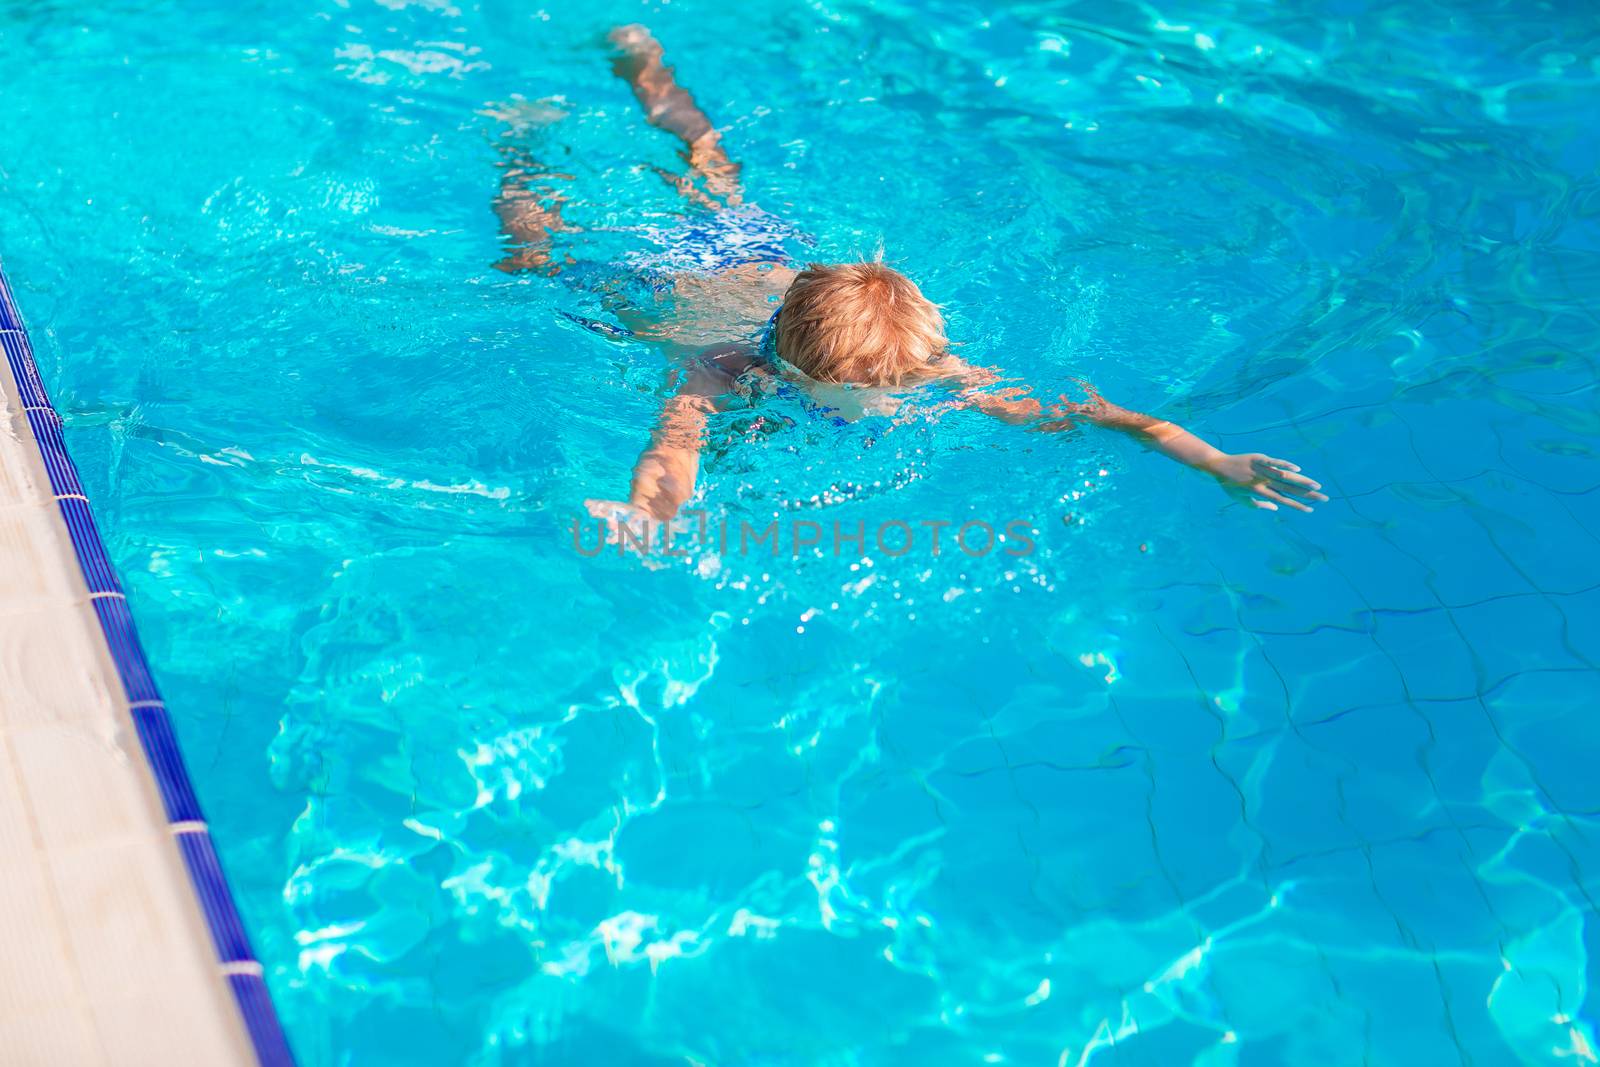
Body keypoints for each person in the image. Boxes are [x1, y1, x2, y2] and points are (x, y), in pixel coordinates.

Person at [492, 26, 1327, 530]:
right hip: (673, 284)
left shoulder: (931, 372)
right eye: (864, 395)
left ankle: (646, 66)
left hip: (765, 253)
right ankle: (519, 154)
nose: (889, 401)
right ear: (790, 367)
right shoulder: (723, 364)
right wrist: (651, 512)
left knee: (712, 164)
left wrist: (1214, 459)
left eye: (897, 386)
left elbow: (1101, 415)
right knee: (541, 261)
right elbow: (677, 444)